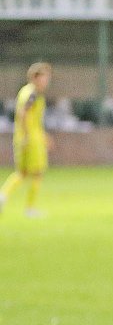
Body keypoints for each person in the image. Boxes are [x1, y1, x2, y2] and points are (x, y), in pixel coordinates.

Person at [1, 62, 53, 218]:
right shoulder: (33, 94)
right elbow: (25, 114)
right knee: (37, 173)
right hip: (31, 139)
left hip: (24, 137)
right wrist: (28, 136)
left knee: (22, 173)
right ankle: (30, 209)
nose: (47, 81)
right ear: (35, 77)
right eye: (45, 77)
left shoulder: (25, 91)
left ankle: (3, 195)